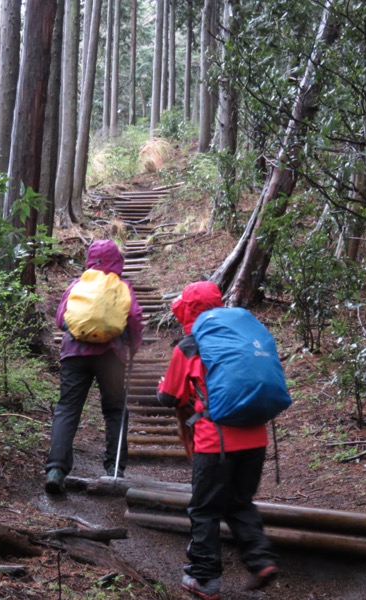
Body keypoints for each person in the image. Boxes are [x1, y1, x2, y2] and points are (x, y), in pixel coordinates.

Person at [157, 281, 278, 600]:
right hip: (255, 435)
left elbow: (169, 396)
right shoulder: (240, 336)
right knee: (239, 501)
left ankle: (204, 578)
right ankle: (261, 560)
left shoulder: (191, 344)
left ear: (187, 309)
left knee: (205, 508)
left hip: (217, 441)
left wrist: (164, 387)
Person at [44, 239, 144, 494]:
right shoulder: (122, 287)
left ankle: (56, 469)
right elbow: (133, 318)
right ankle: (114, 468)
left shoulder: (78, 284)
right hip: (110, 356)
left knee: (67, 408)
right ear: (117, 261)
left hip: (74, 354)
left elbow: (60, 319)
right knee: (115, 409)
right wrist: (132, 346)